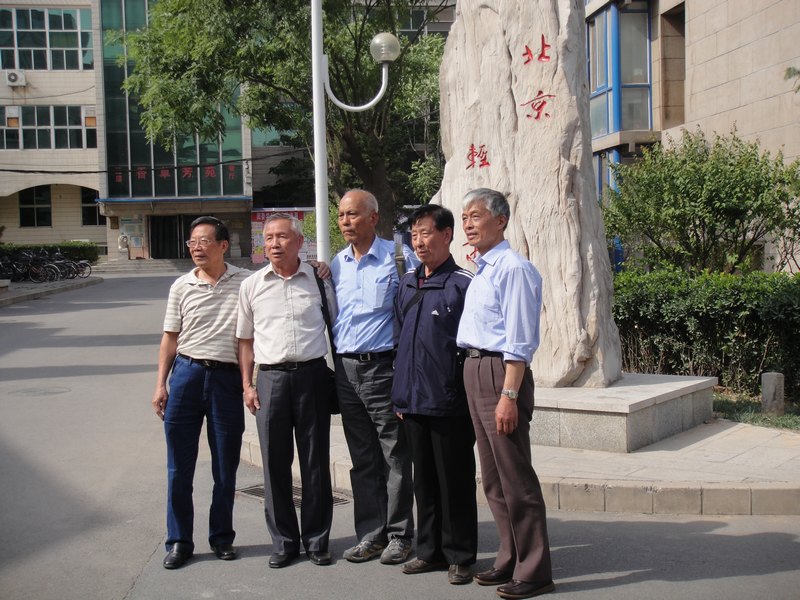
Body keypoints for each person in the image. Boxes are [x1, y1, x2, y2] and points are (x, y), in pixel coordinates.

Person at [456, 188, 555, 599]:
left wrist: (509, 395)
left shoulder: (513, 268)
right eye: (464, 217)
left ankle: (534, 570)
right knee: (494, 478)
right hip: (475, 368)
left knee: (516, 477)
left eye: (476, 216)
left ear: (500, 220)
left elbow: (519, 340)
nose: (468, 224)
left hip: (500, 373)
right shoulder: (483, 268)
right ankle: (509, 556)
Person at [236, 213, 336, 569]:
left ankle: (317, 540)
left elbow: (336, 326)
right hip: (271, 380)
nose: (274, 244)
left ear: (299, 242)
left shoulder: (319, 281)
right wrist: (247, 385)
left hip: (312, 377)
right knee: (274, 464)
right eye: (269, 238)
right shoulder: (252, 285)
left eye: (282, 237)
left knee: (315, 462)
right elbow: (245, 341)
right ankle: (283, 542)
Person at [152, 216, 249, 570]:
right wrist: (160, 384)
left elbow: (279, 274)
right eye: (192, 242)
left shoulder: (246, 282)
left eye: (204, 241)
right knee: (179, 467)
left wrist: (316, 266)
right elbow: (170, 338)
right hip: (186, 377)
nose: (196, 248)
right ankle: (179, 541)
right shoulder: (181, 286)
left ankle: (221, 538)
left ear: (223, 245)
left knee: (225, 466)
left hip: (226, 380)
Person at [330, 189, 419, 564]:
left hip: (383, 367)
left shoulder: (399, 259)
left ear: (373, 217)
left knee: (394, 454)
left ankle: (400, 534)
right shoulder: (336, 264)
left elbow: (414, 314)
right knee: (362, 456)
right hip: (346, 370)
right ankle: (371, 534)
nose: (345, 221)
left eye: (352, 214)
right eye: (341, 215)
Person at [391, 204, 478, 585]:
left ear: (447, 235)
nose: (419, 242)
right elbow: (398, 340)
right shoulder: (408, 282)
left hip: (449, 402)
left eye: (426, 233)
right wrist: (400, 394)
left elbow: (473, 346)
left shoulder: (463, 284)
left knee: (454, 480)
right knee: (423, 480)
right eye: (414, 235)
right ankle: (429, 551)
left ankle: (460, 555)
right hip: (412, 400)